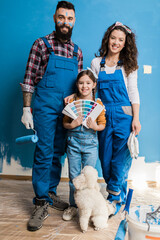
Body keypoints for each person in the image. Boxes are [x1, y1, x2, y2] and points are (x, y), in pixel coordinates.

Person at [20, 1, 83, 231]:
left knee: (59, 152)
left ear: (74, 21)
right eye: (61, 17)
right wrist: (27, 108)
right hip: (45, 108)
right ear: (55, 18)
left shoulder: (77, 51)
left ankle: (50, 192)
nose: (65, 22)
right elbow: (29, 79)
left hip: (67, 111)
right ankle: (40, 202)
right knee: (45, 152)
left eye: (69, 18)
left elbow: (79, 87)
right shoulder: (41, 44)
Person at [91, 22, 141, 215]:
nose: (116, 42)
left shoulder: (128, 65)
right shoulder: (97, 63)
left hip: (124, 115)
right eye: (114, 38)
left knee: (120, 159)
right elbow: (93, 92)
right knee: (105, 159)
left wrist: (136, 118)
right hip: (103, 114)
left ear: (125, 43)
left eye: (121, 40)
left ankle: (113, 199)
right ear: (107, 39)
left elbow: (133, 92)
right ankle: (119, 192)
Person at [62, 69, 106, 221]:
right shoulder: (71, 102)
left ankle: (90, 206)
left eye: (88, 83)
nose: (84, 86)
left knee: (90, 179)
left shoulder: (98, 104)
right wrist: (72, 123)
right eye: (81, 83)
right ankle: (73, 206)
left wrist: (95, 126)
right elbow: (65, 124)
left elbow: (102, 125)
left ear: (94, 84)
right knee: (74, 177)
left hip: (91, 145)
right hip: (73, 143)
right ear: (77, 85)